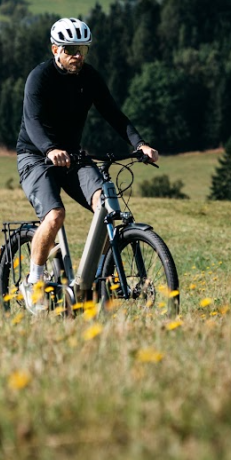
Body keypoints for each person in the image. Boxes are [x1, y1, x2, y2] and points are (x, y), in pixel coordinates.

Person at [16, 17, 158, 312]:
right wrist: (50, 149)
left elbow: (114, 114)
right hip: (35, 156)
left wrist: (140, 144)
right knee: (55, 215)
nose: (77, 55)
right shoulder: (39, 78)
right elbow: (33, 121)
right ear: (55, 49)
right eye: (70, 49)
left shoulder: (89, 78)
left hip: (73, 156)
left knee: (107, 206)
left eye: (82, 49)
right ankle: (34, 281)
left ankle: (92, 281)